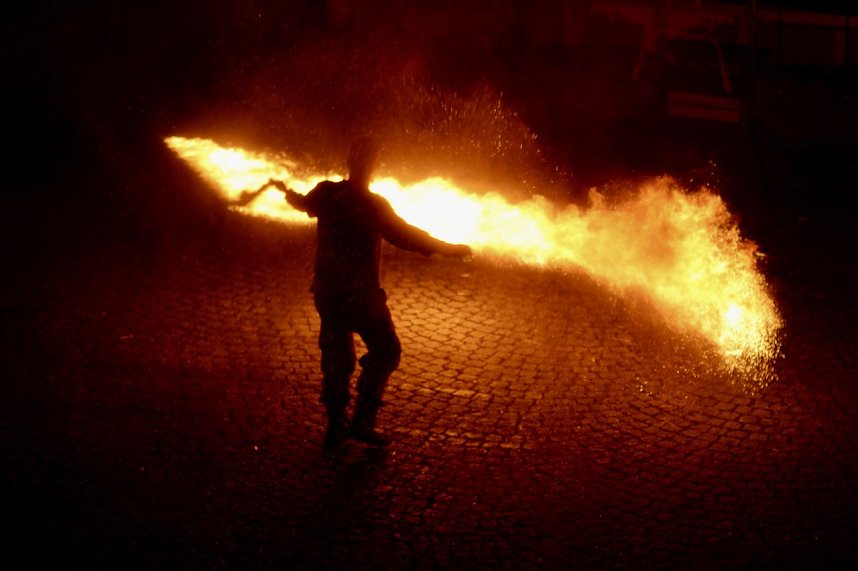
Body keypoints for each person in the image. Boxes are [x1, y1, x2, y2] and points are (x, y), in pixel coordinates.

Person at [268, 138, 471, 449]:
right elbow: (406, 236)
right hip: (362, 299)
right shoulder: (373, 206)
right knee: (387, 350)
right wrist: (448, 249)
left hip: (329, 295)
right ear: (372, 165)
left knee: (336, 360)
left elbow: (303, 204)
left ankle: (336, 427)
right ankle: (362, 422)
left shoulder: (327, 193)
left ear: (349, 160)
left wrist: (286, 191)